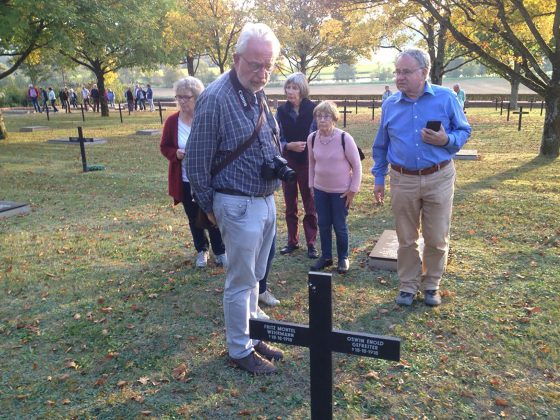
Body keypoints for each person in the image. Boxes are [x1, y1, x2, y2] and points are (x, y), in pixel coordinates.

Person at [185, 22, 284, 375]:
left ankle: (254, 336)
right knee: (240, 281)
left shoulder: (255, 92)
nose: (262, 73)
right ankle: (239, 349)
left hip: (263, 199)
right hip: (236, 203)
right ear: (237, 58)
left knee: (254, 277)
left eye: (268, 65)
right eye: (256, 64)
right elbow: (196, 160)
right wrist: (210, 207)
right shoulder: (215, 97)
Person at [372, 48, 471, 307]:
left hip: (438, 176)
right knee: (406, 237)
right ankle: (407, 285)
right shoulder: (390, 104)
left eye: (406, 72)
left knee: (437, 237)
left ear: (424, 72)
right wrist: (379, 178)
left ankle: (431, 284)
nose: (399, 77)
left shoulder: (446, 98)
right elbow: (381, 145)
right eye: (397, 72)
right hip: (402, 178)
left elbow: (464, 130)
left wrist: (446, 139)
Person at [160, 77, 227, 269]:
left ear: (197, 98)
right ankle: (202, 250)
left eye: (186, 97)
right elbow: (164, 147)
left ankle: (220, 251)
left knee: (212, 214)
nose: (181, 101)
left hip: (208, 178)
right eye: (178, 97)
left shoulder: (205, 117)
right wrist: (176, 154)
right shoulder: (173, 121)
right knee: (193, 217)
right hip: (184, 178)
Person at [308, 101, 362, 274]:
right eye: (319, 116)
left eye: (326, 116)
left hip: (341, 192)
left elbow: (357, 166)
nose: (322, 119)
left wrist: (353, 189)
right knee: (323, 224)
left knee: (339, 225)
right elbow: (311, 163)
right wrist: (311, 185)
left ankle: (343, 258)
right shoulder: (312, 138)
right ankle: (326, 257)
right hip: (320, 189)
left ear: (334, 118)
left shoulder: (344, 138)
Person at [275, 72, 319, 260]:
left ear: (302, 90)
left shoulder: (313, 109)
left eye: (294, 88)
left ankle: (311, 243)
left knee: (310, 203)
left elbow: (319, 134)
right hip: (289, 162)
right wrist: (287, 146)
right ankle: (292, 241)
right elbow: (276, 137)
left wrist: (309, 146)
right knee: (290, 203)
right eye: (288, 87)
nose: (290, 91)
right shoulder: (281, 111)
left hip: (309, 161)